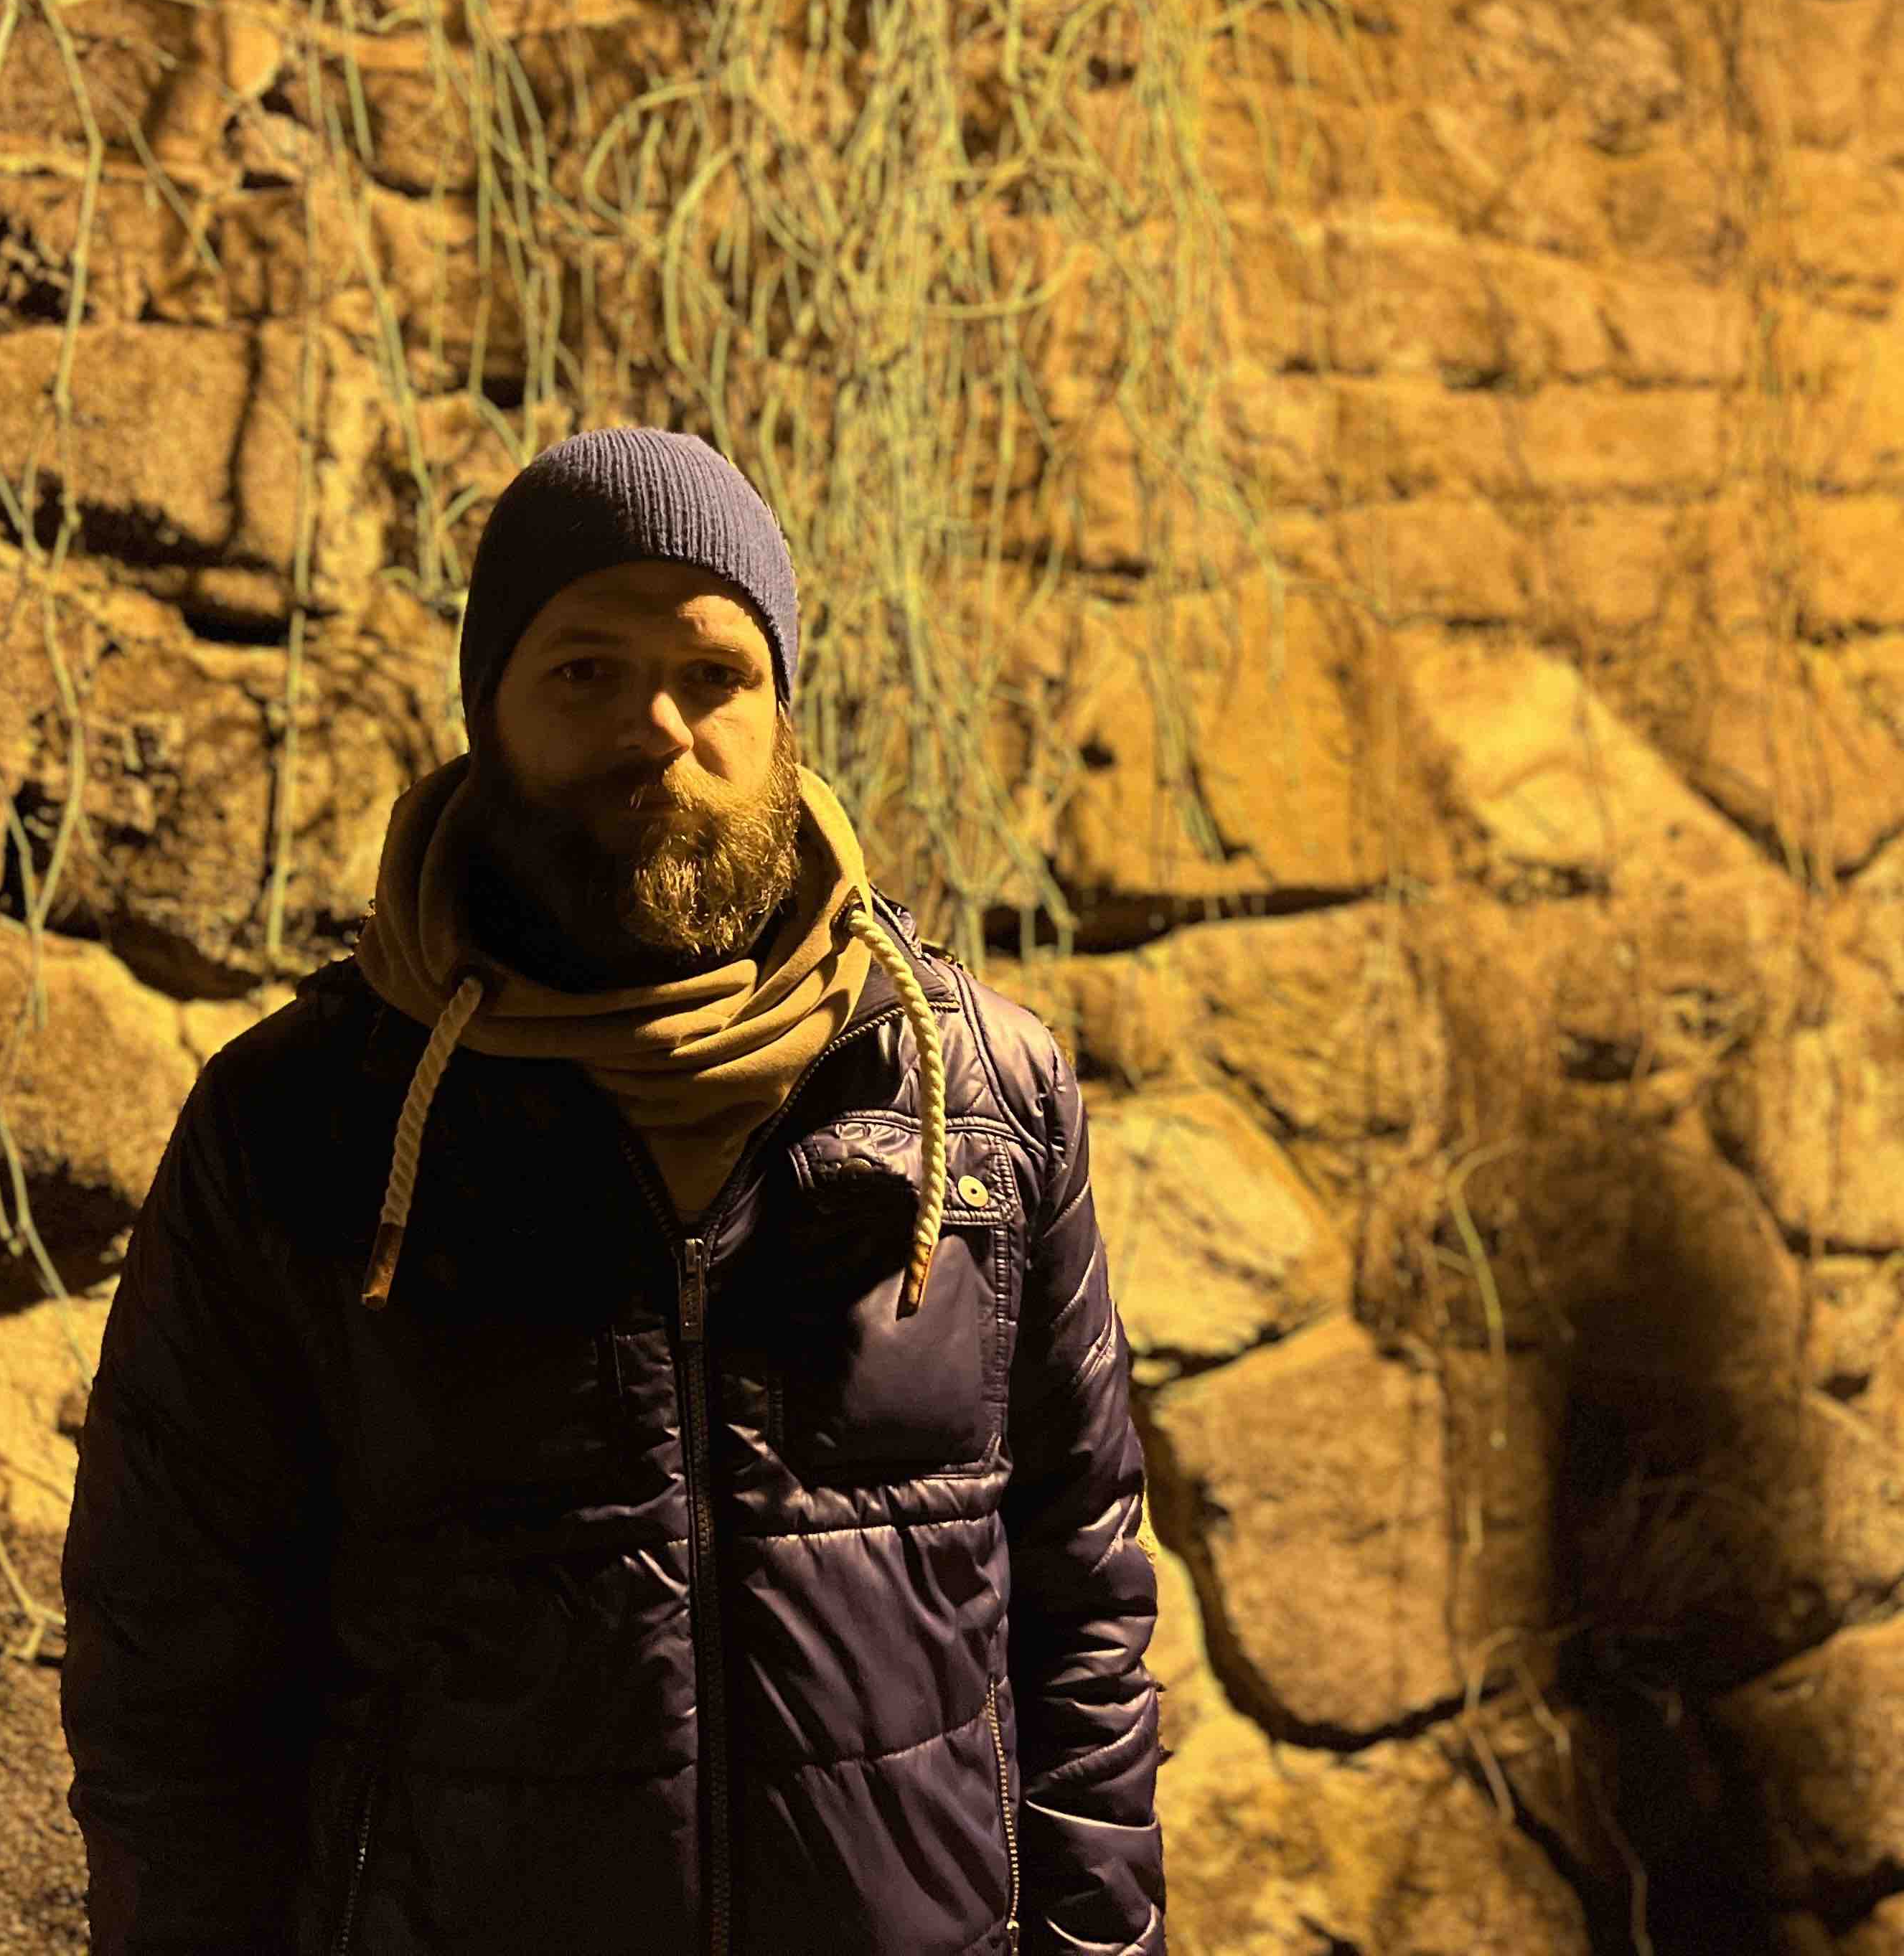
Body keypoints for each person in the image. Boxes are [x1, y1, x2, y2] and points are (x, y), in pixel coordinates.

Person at [60, 426, 1166, 1955]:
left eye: (714, 675)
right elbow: (166, 1671)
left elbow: (1083, 1613)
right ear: (489, 717)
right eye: (585, 671)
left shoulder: (985, 1093)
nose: (658, 725)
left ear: (783, 716)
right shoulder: (304, 1123)